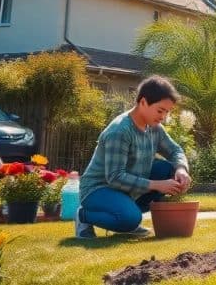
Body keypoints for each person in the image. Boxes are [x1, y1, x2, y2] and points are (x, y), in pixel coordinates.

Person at [75, 75, 191, 239]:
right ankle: (84, 216)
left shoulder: (154, 127)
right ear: (143, 102)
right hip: (98, 189)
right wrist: (157, 185)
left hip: (127, 188)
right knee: (129, 219)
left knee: (168, 169)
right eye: (160, 110)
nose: (163, 117)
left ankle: (127, 212)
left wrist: (181, 169)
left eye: (167, 112)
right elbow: (114, 177)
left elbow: (175, 150)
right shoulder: (120, 131)